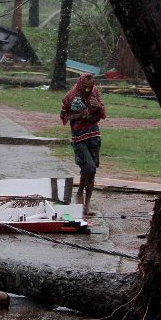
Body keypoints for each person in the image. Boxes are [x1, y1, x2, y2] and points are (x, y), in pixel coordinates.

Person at [60, 73, 106, 216]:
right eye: (85, 87)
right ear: (80, 84)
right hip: (79, 138)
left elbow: (102, 112)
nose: (88, 90)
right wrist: (81, 115)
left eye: (90, 87)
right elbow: (64, 116)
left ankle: (87, 205)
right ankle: (80, 192)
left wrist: (98, 106)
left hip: (94, 135)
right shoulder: (70, 96)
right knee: (89, 168)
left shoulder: (95, 92)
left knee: (91, 170)